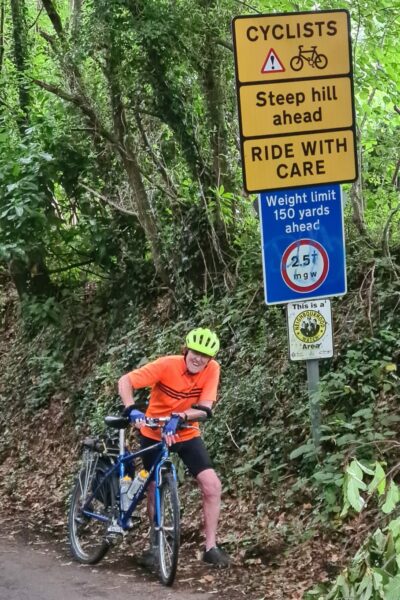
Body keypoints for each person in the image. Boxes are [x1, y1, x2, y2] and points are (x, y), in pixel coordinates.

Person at [118, 327, 230, 568]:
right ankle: (155, 545)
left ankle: (211, 547)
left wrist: (180, 416)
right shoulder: (166, 365)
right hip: (153, 432)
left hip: (186, 432)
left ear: (210, 359)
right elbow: (125, 381)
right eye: (195, 353)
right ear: (186, 351)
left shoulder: (212, 369)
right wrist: (131, 409)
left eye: (204, 356)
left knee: (212, 485)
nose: (198, 359)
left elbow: (205, 408)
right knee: (153, 487)